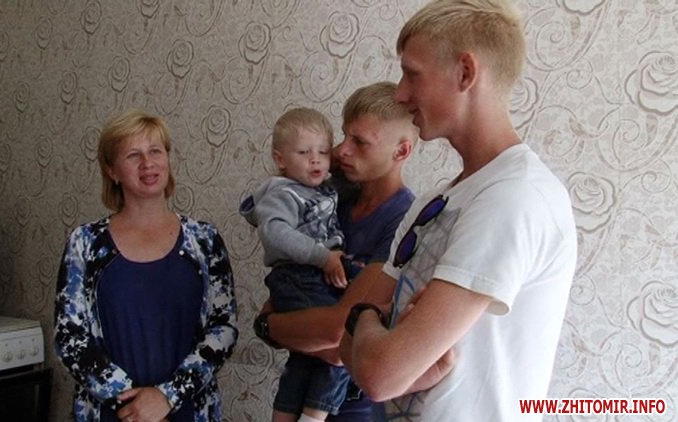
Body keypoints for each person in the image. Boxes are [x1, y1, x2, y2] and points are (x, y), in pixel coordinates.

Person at [339, 1, 578, 421]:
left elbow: (378, 372)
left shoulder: (515, 197)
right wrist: (370, 330)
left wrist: (366, 320)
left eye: (412, 74)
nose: (400, 94)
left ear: (465, 73)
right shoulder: (435, 201)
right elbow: (346, 351)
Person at [254, 82, 452, 421]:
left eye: (359, 142)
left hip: (354, 409)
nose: (342, 150)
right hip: (296, 387)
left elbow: (338, 339)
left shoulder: (404, 221)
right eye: (344, 135)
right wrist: (287, 321)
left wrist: (267, 326)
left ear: (401, 151)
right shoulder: (331, 196)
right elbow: (288, 288)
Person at [54, 109, 238, 422]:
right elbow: (69, 337)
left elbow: (224, 328)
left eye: (155, 151)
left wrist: (167, 397)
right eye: (133, 155)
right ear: (112, 171)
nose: (148, 163)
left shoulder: (205, 240)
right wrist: (133, 405)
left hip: (190, 412)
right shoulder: (84, 243)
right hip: (111, 413)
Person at [240, 107, 350, 422]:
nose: (315, 160)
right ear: (280, 159)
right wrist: (323, 257)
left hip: (311, 277)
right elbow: (275, 234)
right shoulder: (282, 193)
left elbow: (353, 182)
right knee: (342, 348)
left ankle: (284, 415)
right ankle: (314, 417)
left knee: (305, 356)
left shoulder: (324, 188)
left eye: (323, 152)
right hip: (299, 275)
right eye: (303, 153)